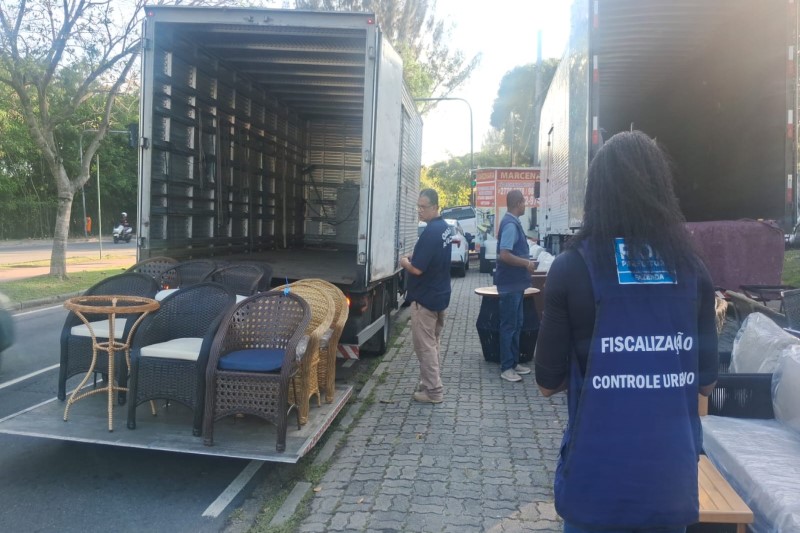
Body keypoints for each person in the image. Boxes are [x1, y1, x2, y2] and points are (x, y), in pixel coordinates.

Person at [534, 131, 719, 532]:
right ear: (663, 192)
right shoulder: (693, 271)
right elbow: (706, 383)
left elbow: (547, 383)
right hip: (669, 489)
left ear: (596, 194)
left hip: (595, 486)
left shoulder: (571, 268)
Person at [400, 188, 452, 404]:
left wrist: (404, 261)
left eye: (424, 207)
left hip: (426, 299)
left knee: (425, 347)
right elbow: (432, 255)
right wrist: (416, 255)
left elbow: (417, 269)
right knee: (433, 343)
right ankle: (429, 382)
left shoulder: (430, 232)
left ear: (435, 207)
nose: (420, 211)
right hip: (440, 295)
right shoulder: (444, 228)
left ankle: (433, 391)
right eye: (418, 207)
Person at [495, 189, 537, 382]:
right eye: (524, 202)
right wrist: (526, 263)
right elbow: (504, 254)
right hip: (510, 284)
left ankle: (513, 362)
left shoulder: (512, 223)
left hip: (515, 284)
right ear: (518, 203)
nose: (525, 205)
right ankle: (506, 367)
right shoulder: (511, 225)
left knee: (517, 324)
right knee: (509, 326)